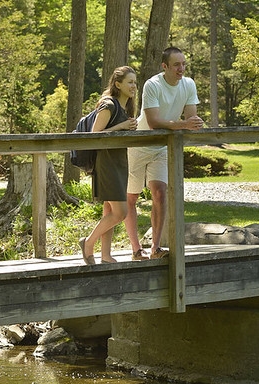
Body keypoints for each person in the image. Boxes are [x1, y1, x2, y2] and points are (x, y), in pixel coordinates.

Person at [125, 47, 204, 260]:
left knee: (160, 193)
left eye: (184, 64)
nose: (181, 69)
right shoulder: (153, 85)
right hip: (140, 144)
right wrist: (185, 124)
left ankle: (155, 248)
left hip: (162, 147)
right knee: (131, 197)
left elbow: (191, 119)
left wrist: (194, 123)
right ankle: (135, 250)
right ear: (165, 66)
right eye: (177, 65)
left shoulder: (188, 84)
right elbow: (153, 123)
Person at [79, 66, 138, 265]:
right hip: (107, 163)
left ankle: (105, 255)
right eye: (130, 82)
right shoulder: (108, 105)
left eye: (135, 82)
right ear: (117, 84)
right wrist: (121, 126)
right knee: (121, 212)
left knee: (109, 210)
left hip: (120, 162)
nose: (134, 86)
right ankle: (88, 243)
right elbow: (95, 135)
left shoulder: (125, 107)